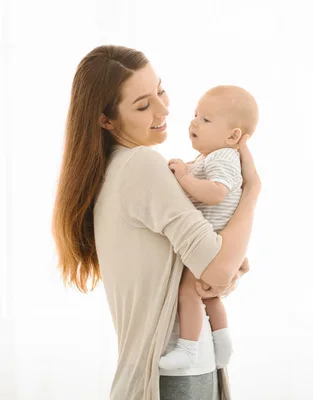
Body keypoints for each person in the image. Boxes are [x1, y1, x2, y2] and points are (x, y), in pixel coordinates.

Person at [52, 45, 261, 400]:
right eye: (142, 104)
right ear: (106, 120)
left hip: (159, 370)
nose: (164, 109)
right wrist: (253, 190)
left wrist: (226, 266)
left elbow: (205, 267)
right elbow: (216, 272)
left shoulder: (114, 168)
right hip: (171, 375)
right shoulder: (142, 166)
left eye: (160, 91)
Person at [159, 85, 259, 371]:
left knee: (189, 291)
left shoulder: (224, 158)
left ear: (233, 136)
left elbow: (217, 193)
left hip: (215, 240)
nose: (194, 123)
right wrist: (188, 170)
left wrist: (184, 178)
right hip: (217, 239)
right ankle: (223, 340)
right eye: (195, 115)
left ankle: (187, 348)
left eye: (205, 119)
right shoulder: (209, 158)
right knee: (210, 294)